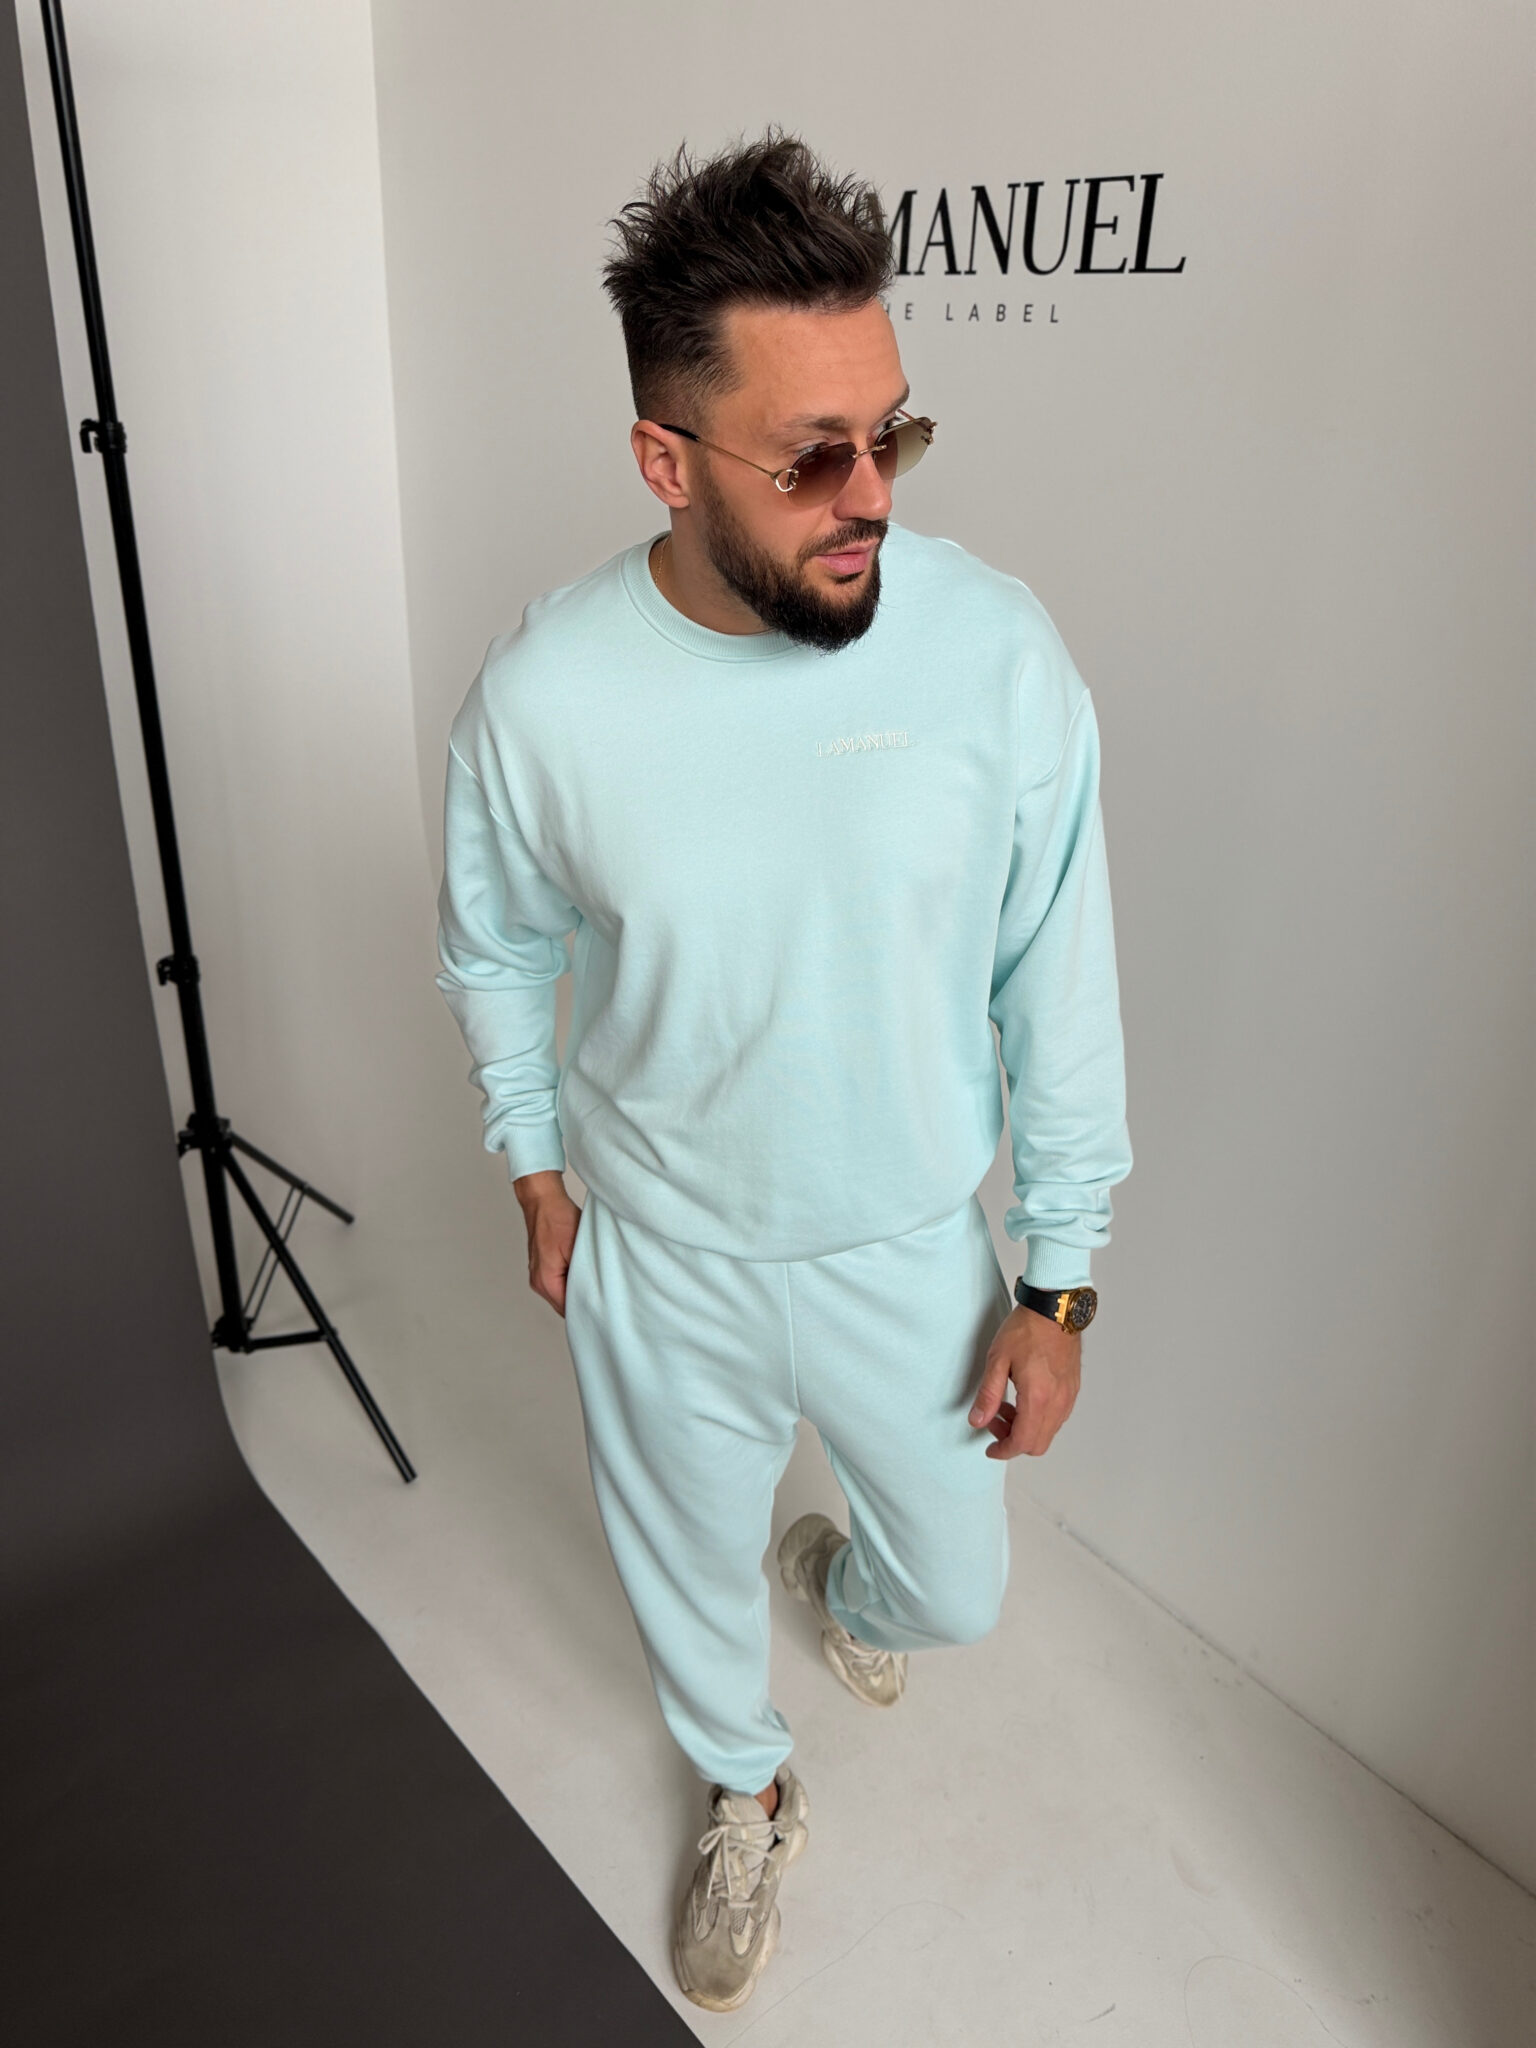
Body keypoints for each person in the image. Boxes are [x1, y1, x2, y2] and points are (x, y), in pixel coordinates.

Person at [434, 125, 1132, 2014]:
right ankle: (745, 1785)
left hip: (910, 1239)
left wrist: (1060, 1277)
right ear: (666, 459)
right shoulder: (544, 698)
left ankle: (842, 1584)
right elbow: (497, 944)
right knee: (682, 1576)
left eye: (892, 434)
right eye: (811, 454)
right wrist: (534, 1166)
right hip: (661, 1248)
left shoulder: (991, 651)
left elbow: (1057, 973)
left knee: (959, 1593)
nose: (868, 495)